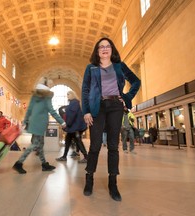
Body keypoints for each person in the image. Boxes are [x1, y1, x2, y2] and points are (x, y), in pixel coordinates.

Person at [81, 37, 141, 201]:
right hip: (97, 107)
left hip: (116, 106)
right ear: (97, 51)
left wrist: (127, 97)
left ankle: (112, 183)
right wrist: (86, 111)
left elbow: (136, 81)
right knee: (95, 144)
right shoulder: (91, 68)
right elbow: (85, 90)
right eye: (101, 47)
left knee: (113, 146)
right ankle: (89, 178)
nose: (105, 49)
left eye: (107, 46)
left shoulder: (119, 66)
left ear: (112, 49)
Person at [12, 77, 66, 174]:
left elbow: (29, 109)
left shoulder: (35, 95)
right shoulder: (47, 96)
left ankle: (44, 164)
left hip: (34, 122)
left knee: (40, 145)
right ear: (47, 86)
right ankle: (19, 163)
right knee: (35, 144)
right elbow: (51, 110)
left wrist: (25, 120)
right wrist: (62, 121)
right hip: (40, 123)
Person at [56, 90, 88, 163]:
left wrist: (67, 124)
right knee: (68, 140)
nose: (67, 95)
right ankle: (64, 156)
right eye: (67, 94)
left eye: (68, 94)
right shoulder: (72, 103)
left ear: (72, 95)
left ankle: (86, 157)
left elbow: (72, 116)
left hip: (75, 127)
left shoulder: (74, 103)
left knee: (78, 141)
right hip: (73, 127)